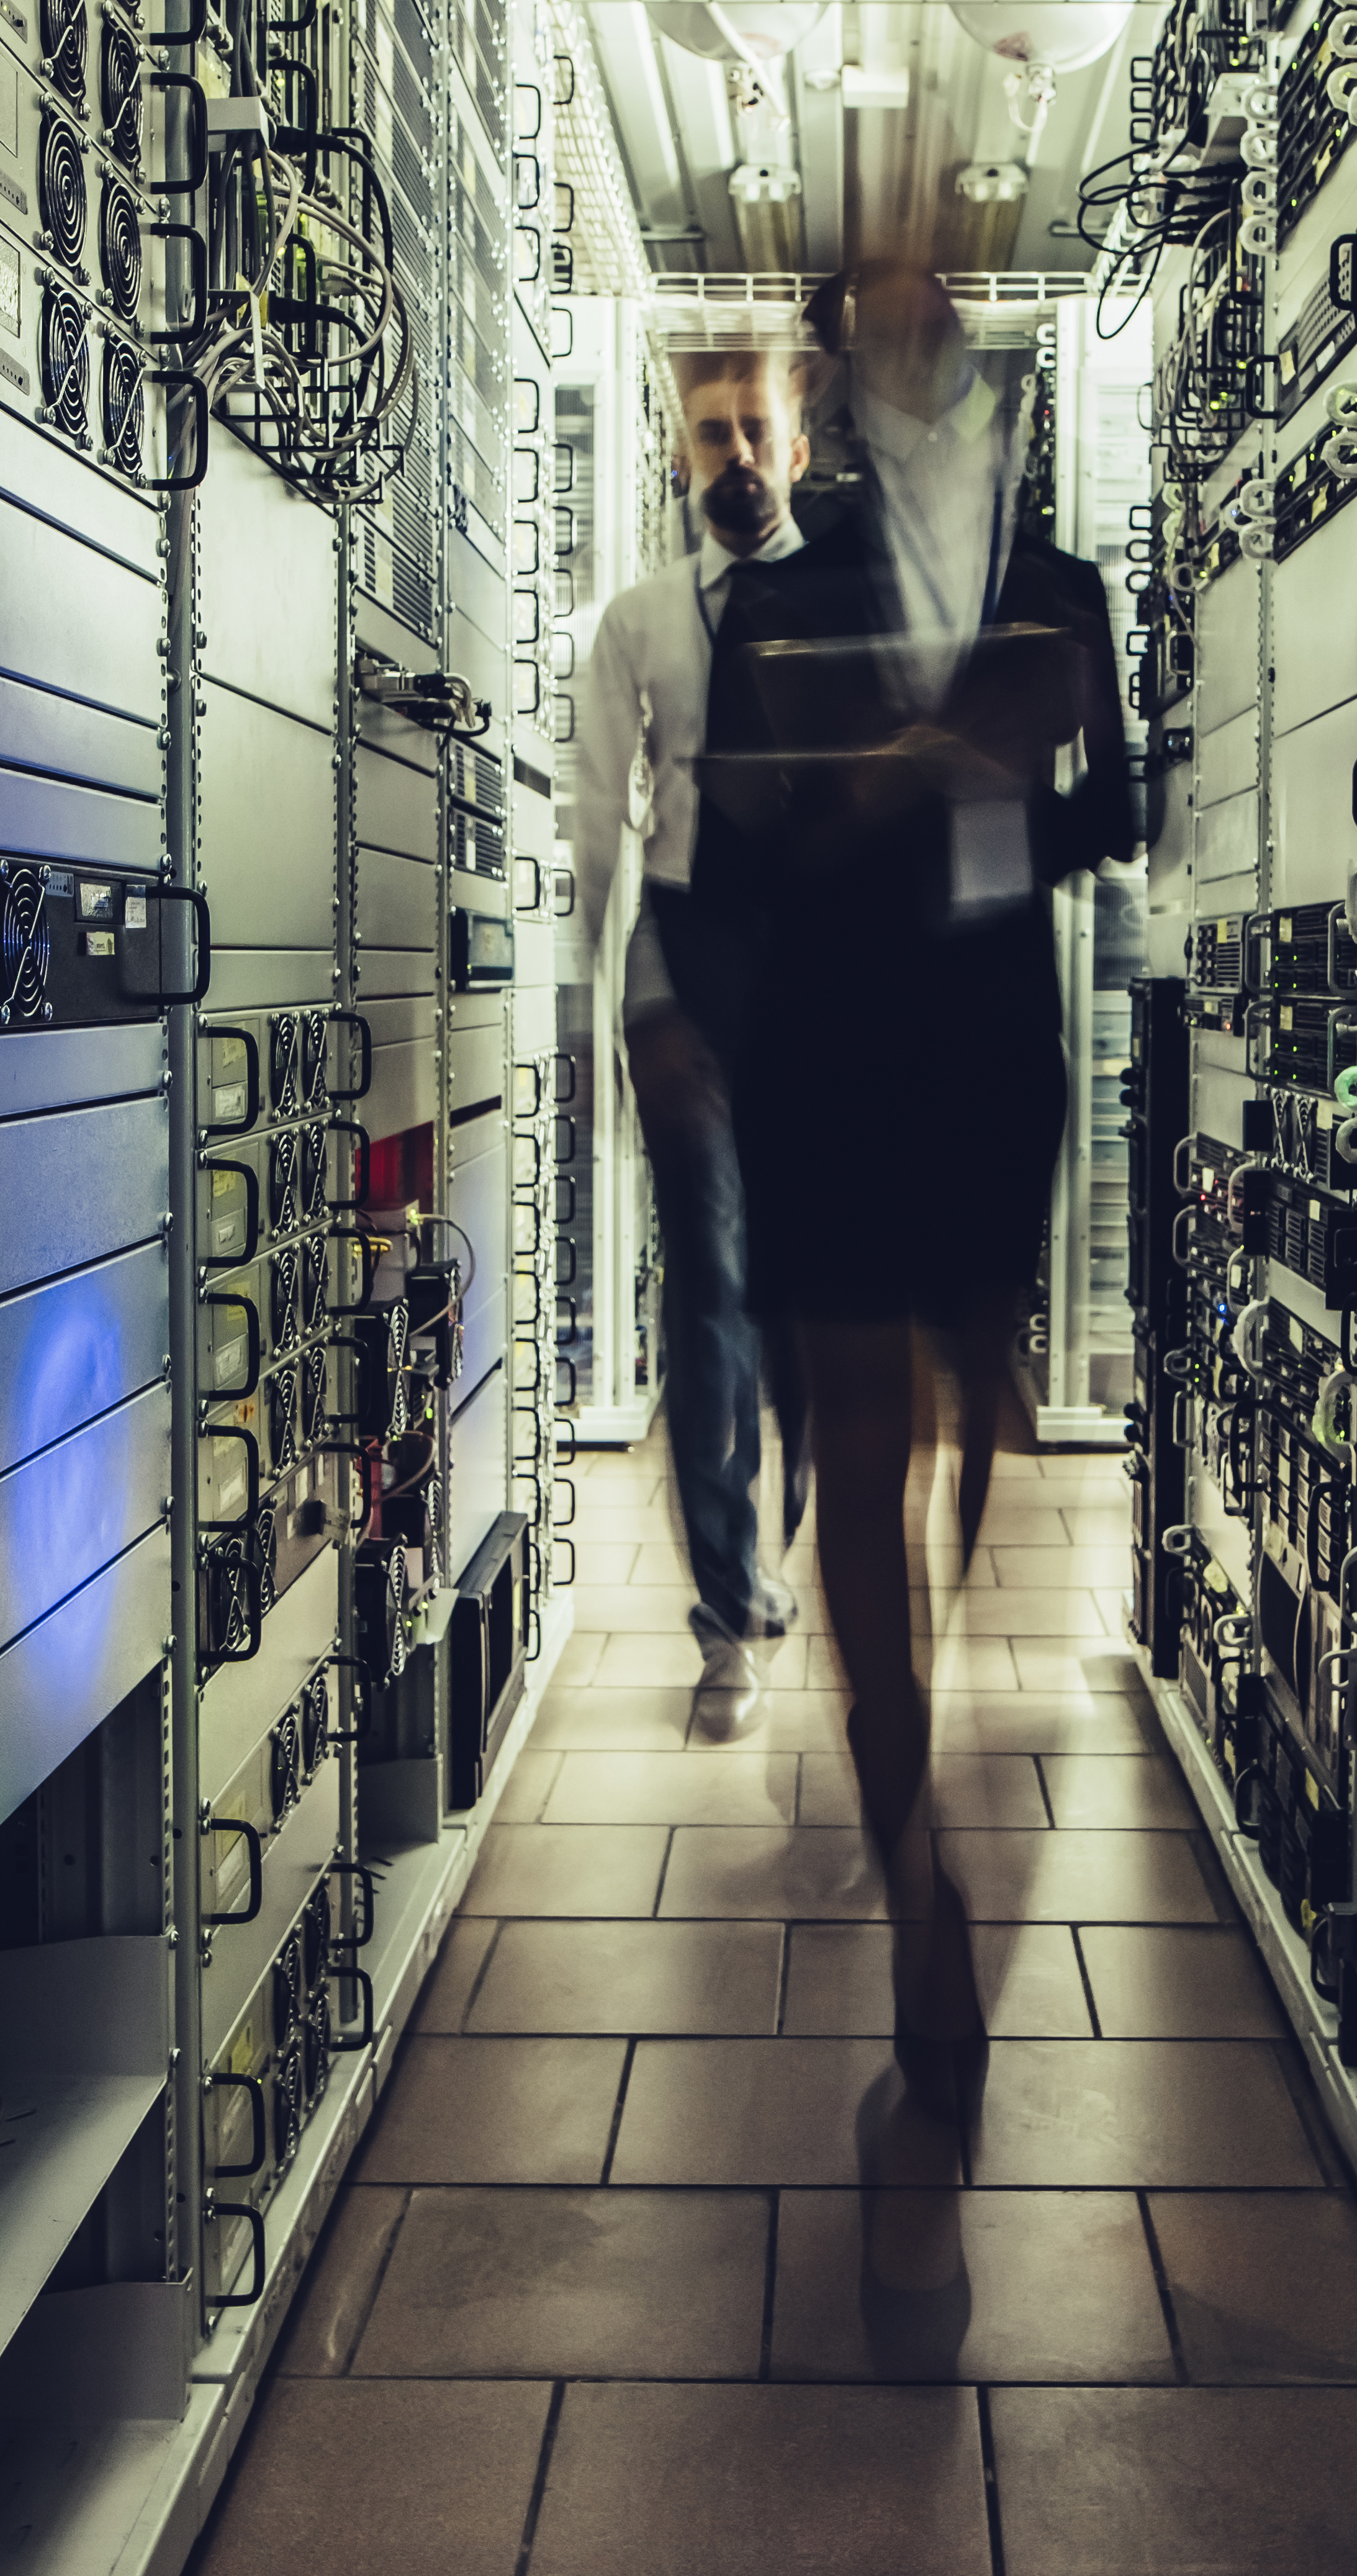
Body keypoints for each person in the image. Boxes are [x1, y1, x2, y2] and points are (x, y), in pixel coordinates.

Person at [688, 263, 1145, 2126]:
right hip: (822, 1061)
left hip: (982, 1069)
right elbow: (721, 843)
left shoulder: (1064, 595)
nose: (900, 362)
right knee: (860, 1454)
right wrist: (872, 797)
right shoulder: (778, 604)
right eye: (866, 337)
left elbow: (1119, 818)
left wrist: (975, 784)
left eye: (927, 329)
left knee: (976, 1415)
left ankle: (917, 1723)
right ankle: (918, 1884)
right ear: (832, 383)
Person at [566, 341, 812, 1707]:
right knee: (708, 1284)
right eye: (708, 434)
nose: (731, 454)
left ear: (796, 448)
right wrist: (608, 1017)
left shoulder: (851, 605)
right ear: (680, 453)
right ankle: (722, 1600)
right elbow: (601, 826)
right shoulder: (640, 621)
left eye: (753, 429)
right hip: (684, 959)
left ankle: (766, 1546)